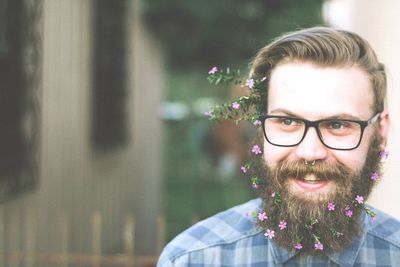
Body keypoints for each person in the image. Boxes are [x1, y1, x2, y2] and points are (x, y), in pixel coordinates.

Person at [157, 27, 400, 266]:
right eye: (287, 121)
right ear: (260, 129)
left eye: (337, 125)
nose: (309, 152)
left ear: (380, 131)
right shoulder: (192, 260)